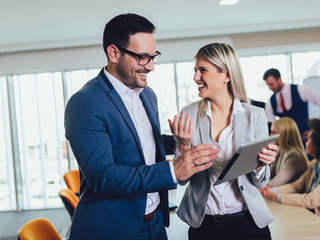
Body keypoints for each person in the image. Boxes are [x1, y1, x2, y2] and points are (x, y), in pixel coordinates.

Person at [64, 13, 219, 240]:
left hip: (154, 224)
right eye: (142, 58)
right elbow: (102, 177)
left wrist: (183, 139)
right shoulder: (85, 102)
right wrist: (172, 170)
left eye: (153, 57)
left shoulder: (147, 95)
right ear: (114, 53)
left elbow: (143, 142)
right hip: (112, 229)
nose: (151, 67)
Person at [168, 43, 278, 240]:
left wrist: (260, 166)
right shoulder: (189, 114)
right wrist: (183, 147)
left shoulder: (255, 115)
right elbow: (182, 180)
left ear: (226, 75)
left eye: (203, 70)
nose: (195, 77)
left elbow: (261, 182)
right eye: (195, 70)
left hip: (248, 223)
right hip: (205, 226)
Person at [263, 68, 320, 141]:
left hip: (305, 140)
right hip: (285, 143)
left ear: (279, 79)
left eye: (271, 84)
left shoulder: (301, 90)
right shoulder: (270, 101)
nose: (270, 88)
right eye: (268, 85)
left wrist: (317, 129)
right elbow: (270, 123)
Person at [268, 117, 308, 187]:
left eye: (273, 132)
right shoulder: (281, 149)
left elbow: (276, 182)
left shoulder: (295, 155)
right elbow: (270, 173)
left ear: (284, 134)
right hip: (277, 192)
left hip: (288, 195)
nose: (270, 135)